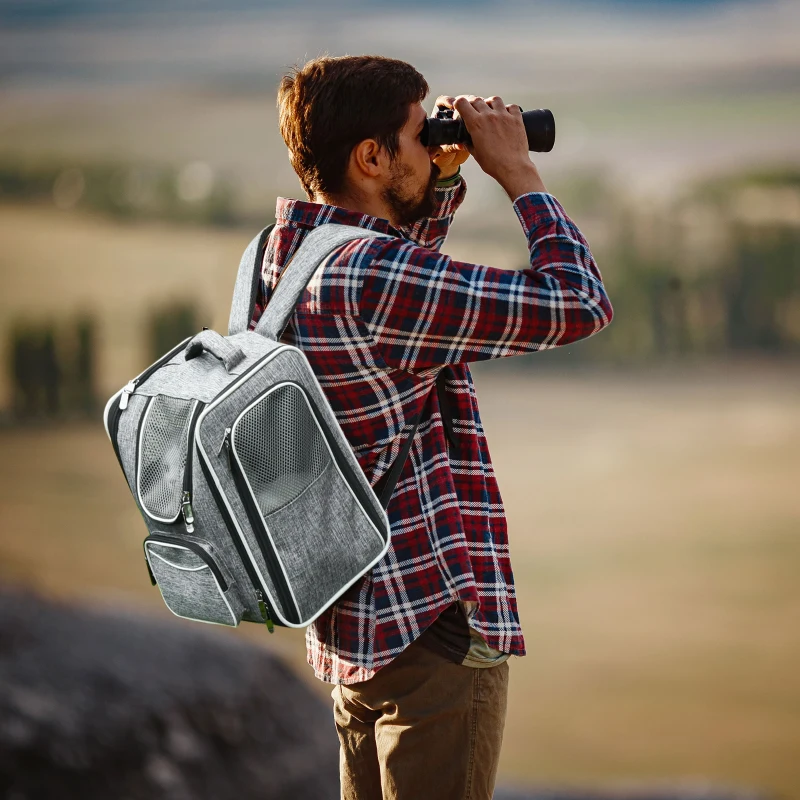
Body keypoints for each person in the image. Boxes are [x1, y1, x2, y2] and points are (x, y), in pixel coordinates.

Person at [252, 55, 614, 800]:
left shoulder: (281, 258)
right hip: (430, 635)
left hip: (352, 633)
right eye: (419, 136)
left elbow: (395, 298)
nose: (431, 144)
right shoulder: (374, 278)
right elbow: (577, 302)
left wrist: (441, 180)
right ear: (372, 157)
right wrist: (517, 175)